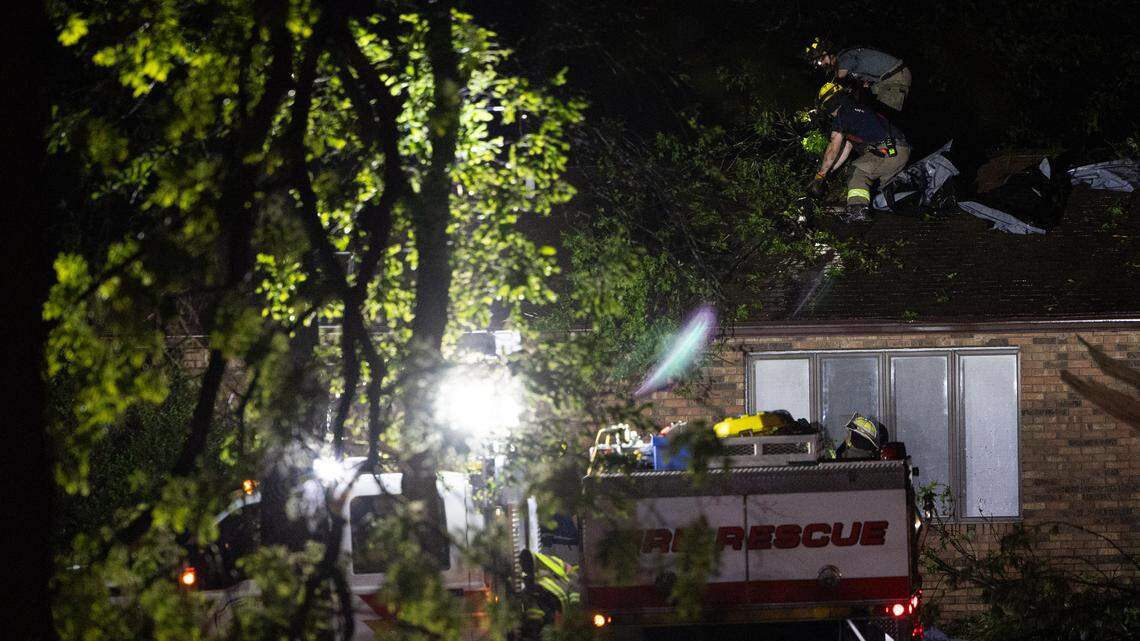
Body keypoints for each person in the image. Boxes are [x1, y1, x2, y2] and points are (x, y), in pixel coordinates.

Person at [808, 84, 910, 222]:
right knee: (880, 184)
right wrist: (829, 172)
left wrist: (820, 174)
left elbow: (834, 147)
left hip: (889, 151)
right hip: (898, 151)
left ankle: (858, 210)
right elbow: (846, 149)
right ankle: (901, 193)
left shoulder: (842, 115)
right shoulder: (855, 111)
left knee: (857, 171)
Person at [805, 39, 911, 112]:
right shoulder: (845, 62)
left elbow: (840, 76)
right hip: (886, 80)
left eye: (822, 59)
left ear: (828, 53)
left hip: (895, 76)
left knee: (884, 117)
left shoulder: (844, 57)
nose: (823, 64)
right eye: (819, 63)